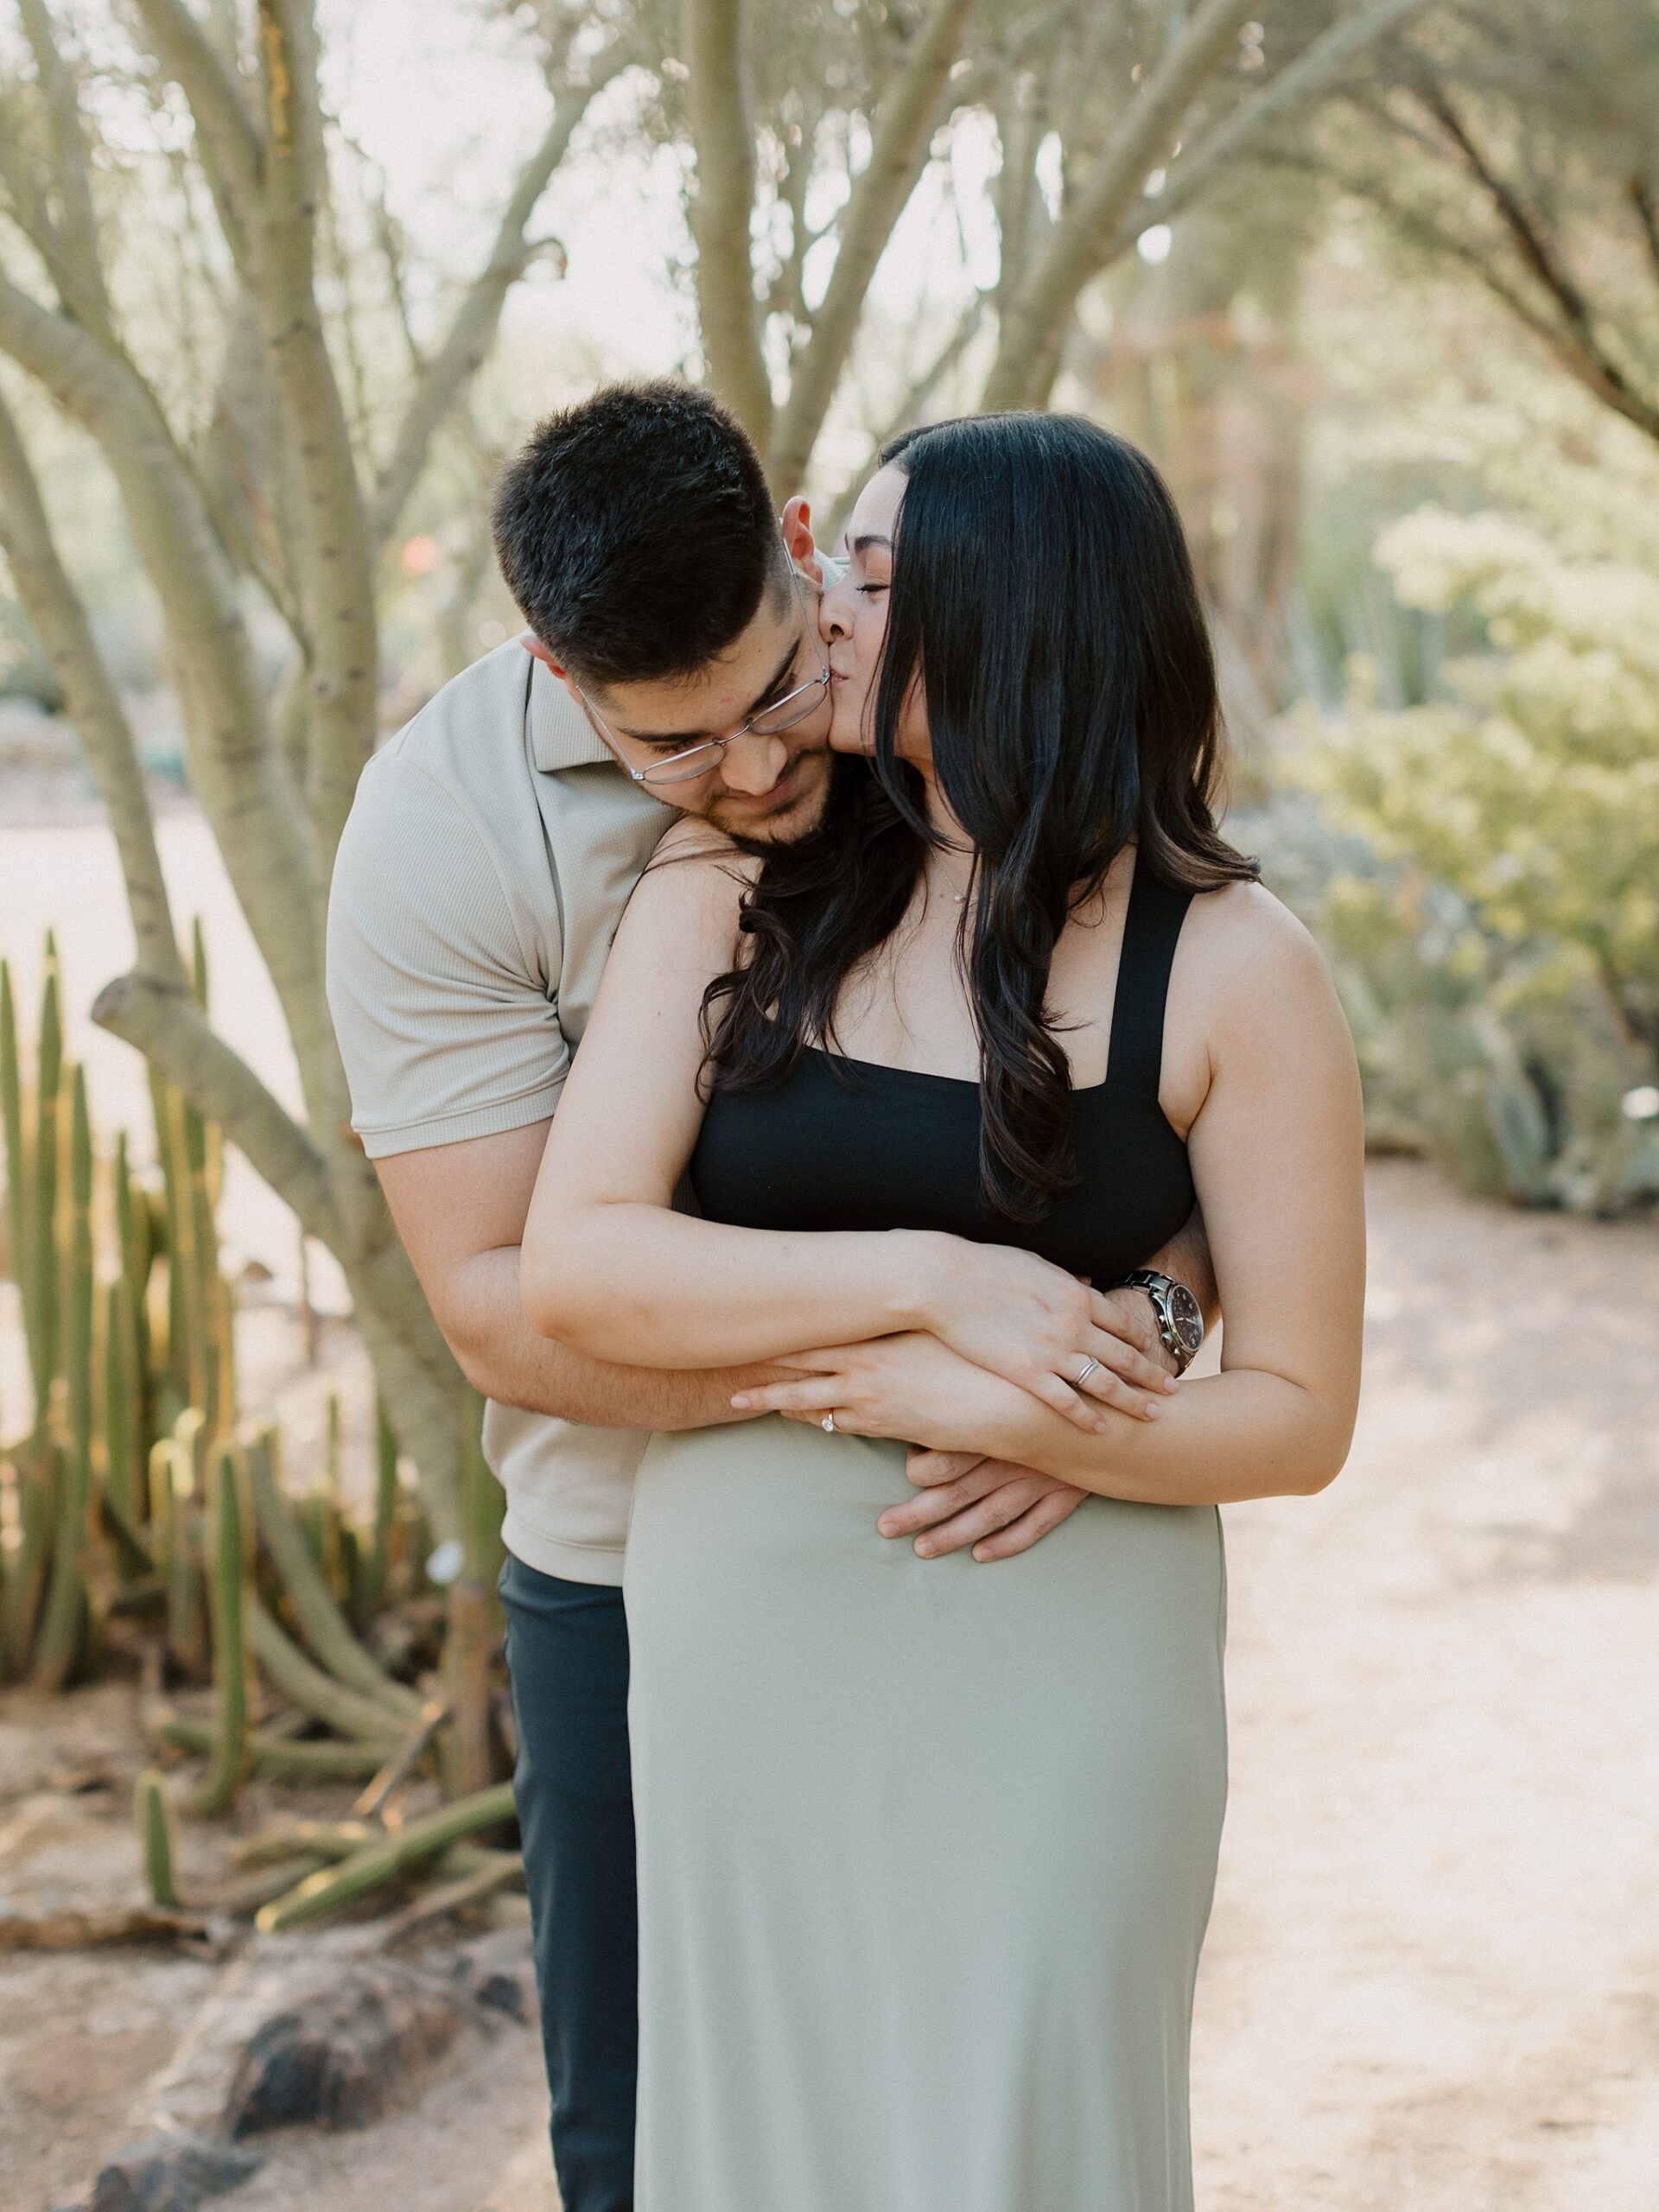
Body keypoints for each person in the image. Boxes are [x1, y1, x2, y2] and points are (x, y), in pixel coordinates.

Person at [325, 384, 1215, 2212]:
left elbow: (1165, 1102)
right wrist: (940, 1343)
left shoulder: (933, 698)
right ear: (556, 668)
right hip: (632, 1576)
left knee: (983, 2118)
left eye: (775, 687)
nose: (752, 769)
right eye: (676, 745)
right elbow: (507, 1306)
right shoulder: (441, 835)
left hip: (1003, 1560)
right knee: (661, 2151)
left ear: (808, 554)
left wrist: (1138, 1332)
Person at [519, 411, 1366, 2211]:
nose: (821, 601)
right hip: (743, 1644)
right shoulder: (737, 880)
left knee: (1025, 2118)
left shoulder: (1233, 964)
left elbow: (1301, 1412)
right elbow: (583, 1260)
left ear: (1017, 614)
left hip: (1058, 1637)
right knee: (773, 2131)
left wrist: (1025, 1410)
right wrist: (941, 1291)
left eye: (874, 575)